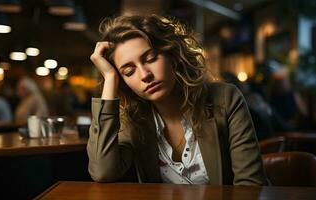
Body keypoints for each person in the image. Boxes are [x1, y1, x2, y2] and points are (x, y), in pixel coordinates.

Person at [87, 15, 267, 185]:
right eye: (128, 71)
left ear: (171, 55)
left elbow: (250, 185)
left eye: (150, 58)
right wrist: (110, 78)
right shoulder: (132, 119)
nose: (145, 75)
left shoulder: (226, 98)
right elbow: (103, 172)